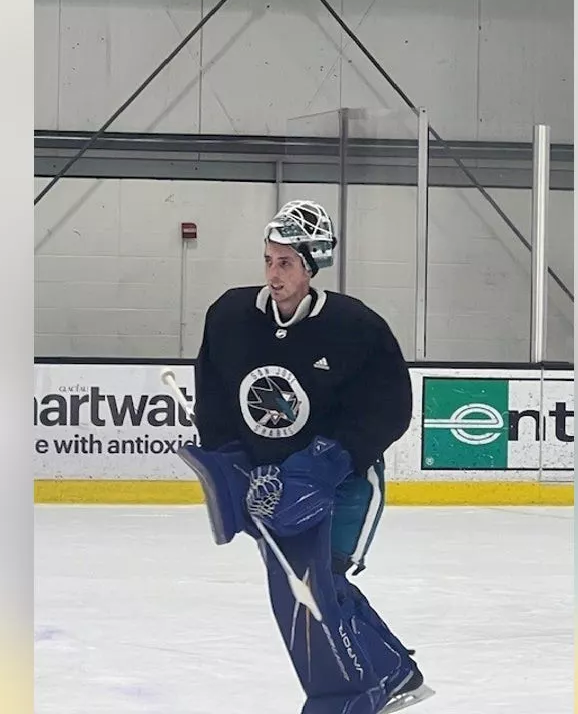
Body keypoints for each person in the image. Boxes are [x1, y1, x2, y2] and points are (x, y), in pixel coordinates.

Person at [176, 200, 434, 714]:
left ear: (312, 266)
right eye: (269, 260)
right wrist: (236, 464)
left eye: (286, 263)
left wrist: (325, 462)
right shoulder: (229, 316)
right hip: (271, 485)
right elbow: (216, 397)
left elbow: (390, 409)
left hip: (345, 480)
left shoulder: (356, 327)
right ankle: (394, 673)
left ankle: (345, 699)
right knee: (308, 586)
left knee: (317, 586)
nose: (274, 274)